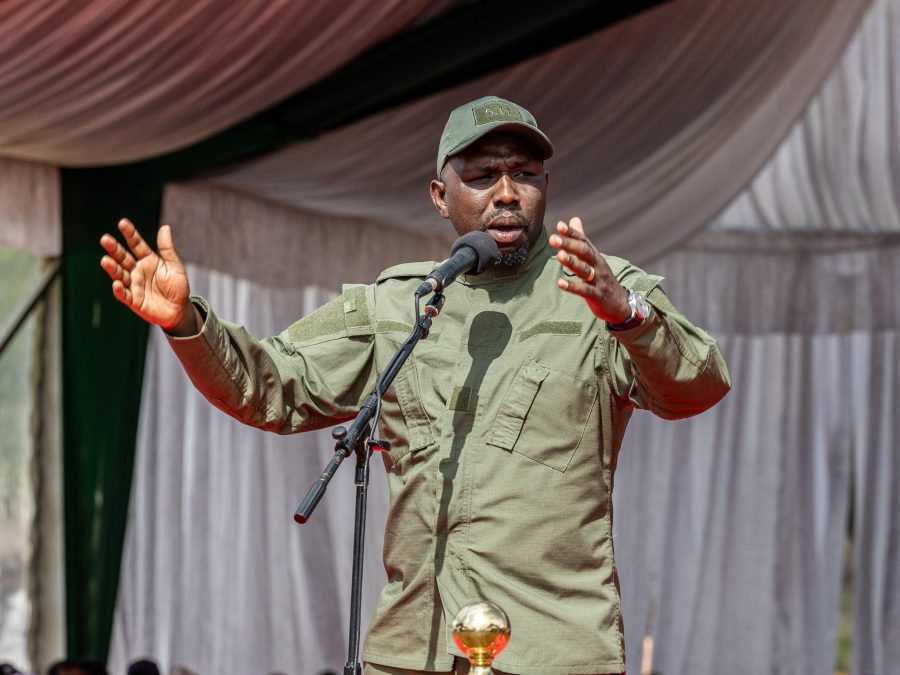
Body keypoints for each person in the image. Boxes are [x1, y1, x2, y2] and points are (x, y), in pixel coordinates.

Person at [100, 96, 730, 675]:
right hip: (414, 651)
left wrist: (627, 313)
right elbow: (270, 387)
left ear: (545, 186)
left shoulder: (599, 287)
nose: (507, 194)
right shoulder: (400, 305)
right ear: (439, 195)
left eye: (525, 175)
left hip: (553, 651)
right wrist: (185, 322)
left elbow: (698, 386)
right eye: (482, 177)